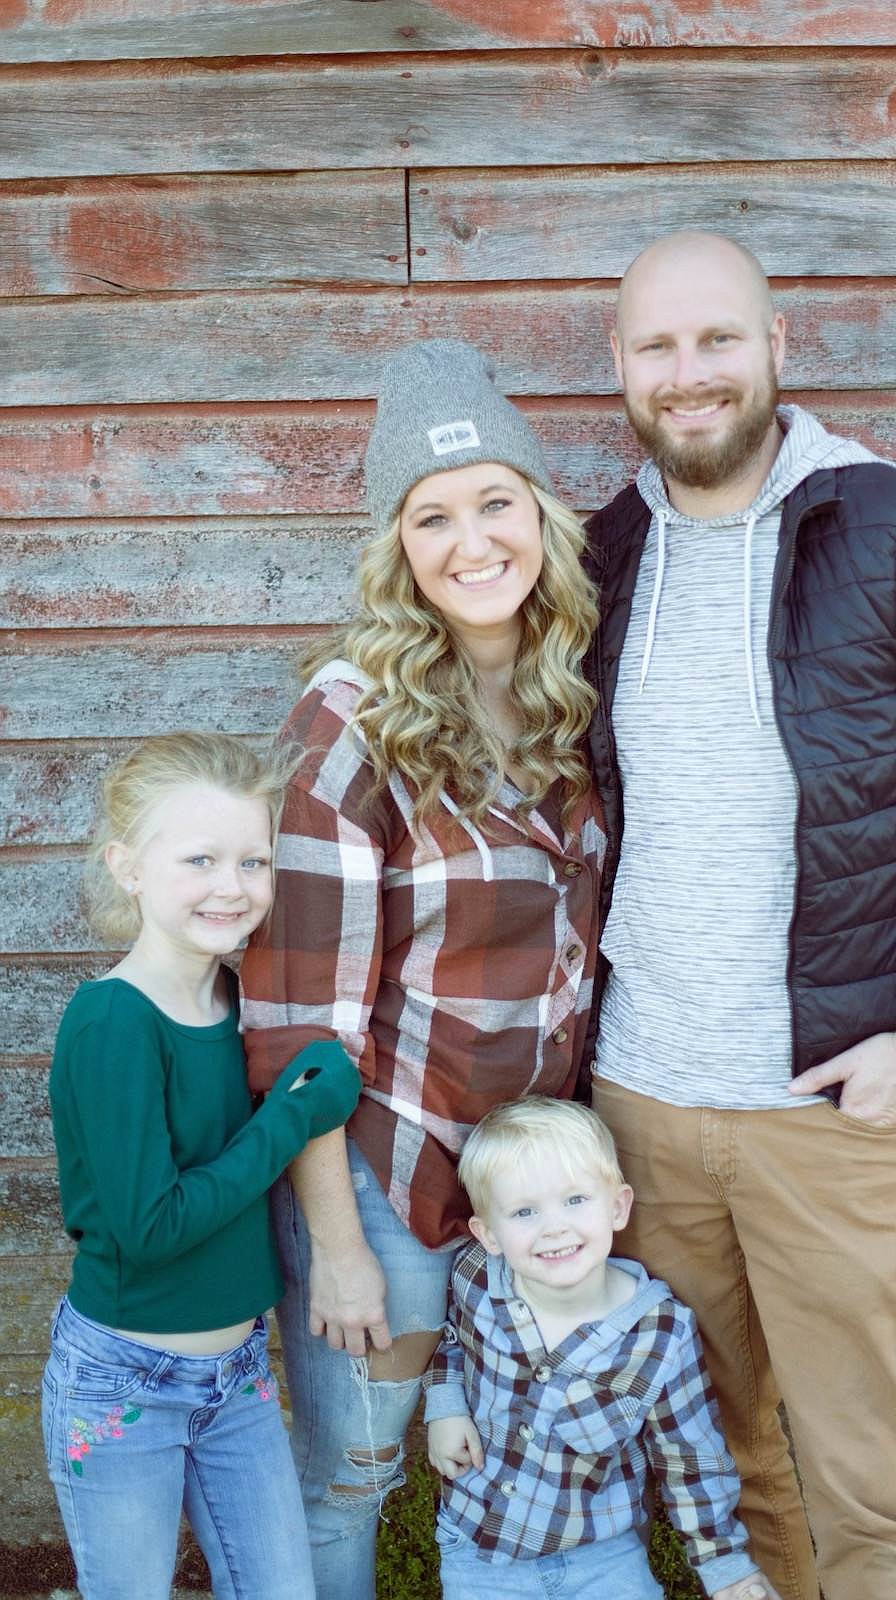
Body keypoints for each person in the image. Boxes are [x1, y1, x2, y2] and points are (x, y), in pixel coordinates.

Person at [582, 231, 896, 1600]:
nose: (690, 375)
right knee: (721, 1485)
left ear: (777, 346)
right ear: (618, 367)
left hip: (830, 1112)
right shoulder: (600, 558)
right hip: (639, 1117)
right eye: (659, 348)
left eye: (717, 339)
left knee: (872, 1500)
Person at [239, 338, 605, 1598]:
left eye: (495, 501)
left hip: (529, 1196)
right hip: (389, 1185)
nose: (471, 541)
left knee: (500, 1449)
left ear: (541, 516)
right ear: (399, 548)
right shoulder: (351, 727)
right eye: (431, 515)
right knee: (350, 1473)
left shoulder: (569, 708)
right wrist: (337, 1245)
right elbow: (295, 1026)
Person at [43, 732, 362, 1600]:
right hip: (122, 1386)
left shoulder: (237, 1003)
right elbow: (152, 1230)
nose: (232, 886)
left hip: (238, 1378)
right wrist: (294, 1117)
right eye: (200, 859)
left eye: (253, 861)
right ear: (128, 866)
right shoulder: (113, 1022)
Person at [425, 1097, 778, 1600]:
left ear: (618, 1207)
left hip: (602, 1559)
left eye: (575, 1201)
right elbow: (450, 1340)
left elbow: (689, 1457)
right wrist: (445, 1405)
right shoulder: (477, 1279)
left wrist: (725, 1567)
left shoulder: (659, 1333)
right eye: (524, 1211)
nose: (554, 1227)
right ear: (489, 1235)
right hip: (479, 1550)